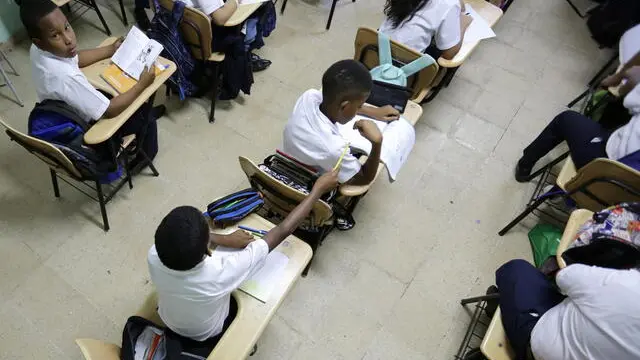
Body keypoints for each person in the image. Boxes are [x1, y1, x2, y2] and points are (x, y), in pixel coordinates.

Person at [148, 170, 339, 355]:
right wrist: (317, 191)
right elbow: (282, 230)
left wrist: (222, 239)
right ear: (206, 249)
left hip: (169, 318)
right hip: (206, 334)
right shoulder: (221, 273)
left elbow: (189, 241)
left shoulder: (154, 255)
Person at [20, 0, 163, 166]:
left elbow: (75, 58)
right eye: (55, 35)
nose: (68, 40)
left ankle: (140, 116)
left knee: (117, 90)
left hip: (67, 107)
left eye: (66, 27)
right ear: (39, 41)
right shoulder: (66, 78)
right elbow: (109, 110)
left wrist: (111, 50)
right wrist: (142, 84)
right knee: (146, 115)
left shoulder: (39, 49)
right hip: (89, 125)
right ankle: (143, 160)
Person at [283, 59, 401, 186]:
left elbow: (332, 98)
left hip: (287, 160)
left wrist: (373, 111)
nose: (359, 109)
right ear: (344, 107)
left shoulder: (309, 97)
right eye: (359, 106)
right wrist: (377, 142)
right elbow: (364, 178)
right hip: (307, 181)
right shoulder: (333, 149)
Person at [514, 66, 640, 182]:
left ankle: (525, 164)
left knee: (565, 119)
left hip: (601, 167)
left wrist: (616, 77)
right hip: (622, 196)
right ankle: (559, 196)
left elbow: (631, 80)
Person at [495, 259, 640, 360]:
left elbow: (564, 277)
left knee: (516, 269)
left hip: (540, 345)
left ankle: (500, 306)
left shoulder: (631, 284)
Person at [182, 0, 272, 72]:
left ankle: (245, 55)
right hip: (202, 39)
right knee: (261, 7)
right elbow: (220, 18)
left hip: (184, 30)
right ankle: (243, 59)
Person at [379, 0, 472, 59]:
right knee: (441, 49)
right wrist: (463, 24)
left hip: (373, 51)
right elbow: (449, 54)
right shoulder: (448, 3)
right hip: (401, 71)